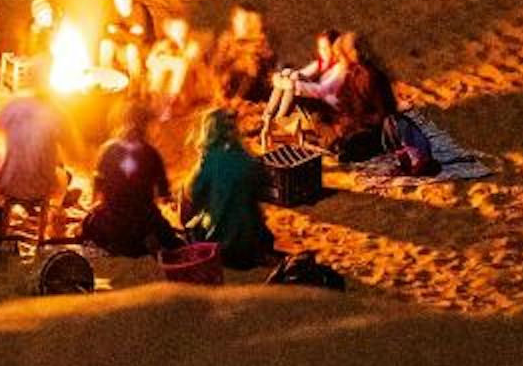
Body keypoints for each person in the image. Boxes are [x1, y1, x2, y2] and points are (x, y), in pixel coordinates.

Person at [184, 105, 277, 270]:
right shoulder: (248, 160)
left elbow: (194, 194)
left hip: (219, 245)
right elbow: (265, 185)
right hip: (251, 246)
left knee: (189, 204)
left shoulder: (209, 160)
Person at [82, 104, 178, 257]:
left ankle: (118, 242)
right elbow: (163, 193)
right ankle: (144, 241)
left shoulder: (108, 149)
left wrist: (95, 204)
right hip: (143, 222)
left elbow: (97, 182)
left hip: (113, 221)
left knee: (89, 223)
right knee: (166, 234)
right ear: (146, 125)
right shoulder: (152, 153)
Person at [0, 79, 72, 228]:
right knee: (64, 174)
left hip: (8, 185)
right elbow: (73, 149)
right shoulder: (57, 114)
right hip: (41, 188)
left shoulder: (15, 106)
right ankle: (52, 210)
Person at [262, 27, 344, 145]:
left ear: (335, 48)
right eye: (321, 48)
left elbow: (323, 91)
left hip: (329, 104)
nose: (323, 52)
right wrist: (282, 78)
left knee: (292, 83)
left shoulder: (339, 68)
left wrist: (295, 86)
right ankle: (268, 115)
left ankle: (278, 119)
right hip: (318, 96)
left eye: (326, 48)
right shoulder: (321, 63)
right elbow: (302, 73)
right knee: (290, 73)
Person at [329, 30, 400, 163]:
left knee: (352, 145)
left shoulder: (373, 75)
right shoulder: (354, 74)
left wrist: (357, 122)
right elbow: (345, 102)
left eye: (357, 48)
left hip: (377, 131)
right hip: (358, 125)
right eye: (351, 50)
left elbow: (384, 114)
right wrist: (343, 120)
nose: (356, 53)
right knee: (335, 143)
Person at [96, 0, 156, 89]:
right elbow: (105, 35)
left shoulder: (139, 10)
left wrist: (119, 31)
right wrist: (127, 34)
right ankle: (107, 82)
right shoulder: (112, 10)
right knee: (105, 45)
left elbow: (139, 42)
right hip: (124, 49)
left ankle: (135, 87)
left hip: (143, 52)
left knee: (131, 50)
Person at [210, 5, 275, 106]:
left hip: (252, 93)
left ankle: (237, 101)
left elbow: (256, 72)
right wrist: (218, 93)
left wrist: (238, 99)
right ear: (234, 20)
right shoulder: (226, 39)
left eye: (249, 21)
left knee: (250, 65)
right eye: (241, 20)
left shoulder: (259, 43)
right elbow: (216, 67)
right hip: (226, 89)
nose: (246, 25)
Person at [147, 14, 207, 112]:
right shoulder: (162, 45)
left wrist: (168, 60)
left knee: (180, 65)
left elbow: (189, 64)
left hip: (184, 91)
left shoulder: (193, 46)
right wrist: (162, 60)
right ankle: (157, 102)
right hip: (161, 88)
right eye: (176, 29)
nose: (180, 33)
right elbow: (149, 62)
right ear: (170, 31)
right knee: (158, 68)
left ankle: (170, 100)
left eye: (182, 29)